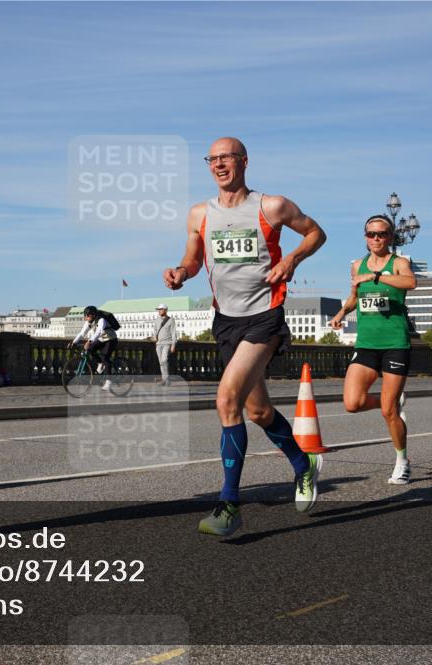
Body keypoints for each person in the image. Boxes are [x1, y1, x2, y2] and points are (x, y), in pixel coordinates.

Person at [162, 137, 326, 536]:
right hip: (226, 321)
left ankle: (229, 505)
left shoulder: (272, 206)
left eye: (227, 158)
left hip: (263, 317)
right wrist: (181, 272)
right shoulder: (199, 213)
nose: (219, 165)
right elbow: (194, 258)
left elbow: (315, 233)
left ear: (244, 162)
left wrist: (291, 258)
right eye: (213, 159)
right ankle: (304, 466)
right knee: (258, 411)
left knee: (226, 399)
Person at [329, 215, 417, 484]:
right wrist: (342, 311)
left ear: (390, 237)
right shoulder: (357, 265)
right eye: (371, 234)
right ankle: (390, 402)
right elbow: (355, 295)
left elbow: (410, 283)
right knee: (352, 403)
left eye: (382, 234)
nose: (376, 239)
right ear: (365, 237)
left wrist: (378, 276)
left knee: (389, 413)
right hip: (366, 343)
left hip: (395, 344)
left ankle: (402, 461)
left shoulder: (399, 263)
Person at [71, 305, 119, 392]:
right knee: (89, 349)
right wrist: (73, 342)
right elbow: (82, 333)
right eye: (85, 316)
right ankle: (100, 363)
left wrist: (89, 341)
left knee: (105, 357)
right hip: (101, 339)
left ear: (93, 315)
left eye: (87, 315)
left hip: (110, 339)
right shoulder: (89, 322)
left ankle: (109, 381)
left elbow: (98, 332)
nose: (85, 318)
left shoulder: (101, 320)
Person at [153, 303, 176, 386]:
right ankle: (165, 380)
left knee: (164, 360)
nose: (158, 311)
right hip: (159, 344)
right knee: (161, 363)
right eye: (158, 309)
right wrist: (155, 337)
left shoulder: (171, 320)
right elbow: (155, 330)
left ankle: (166, 379)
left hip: (167, 343)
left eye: (160, 309)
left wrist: (173, 345)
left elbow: (173, 333)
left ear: (165, 310)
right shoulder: (156, 320)